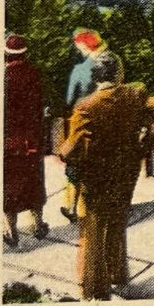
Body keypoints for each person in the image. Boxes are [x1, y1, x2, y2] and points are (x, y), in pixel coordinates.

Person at [58, 52, 154, 300]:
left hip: (96, 176)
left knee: (93, 230)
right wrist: (145, 143)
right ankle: (117, 274)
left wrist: (65, 152)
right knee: (117, 221)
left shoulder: (85, 107)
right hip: (126, 170)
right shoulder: (135, 95)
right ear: (119, 73)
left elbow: (70, 148)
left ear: (95, 77)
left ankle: (95, 289)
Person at [3, 34, 50, 249]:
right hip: (32, 140)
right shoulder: (35, 74)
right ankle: (38, 224)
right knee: (34, 183)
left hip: (8, 142)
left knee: (10, 186)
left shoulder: (2, 77)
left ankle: (11, 230)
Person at [60, 28, 106, 223]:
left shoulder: (79, 70)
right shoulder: (108, 66)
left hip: (82, 121)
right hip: (103, 120)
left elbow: (70, 98)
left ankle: (71, 207)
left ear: (83, 45)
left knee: (75, 165)